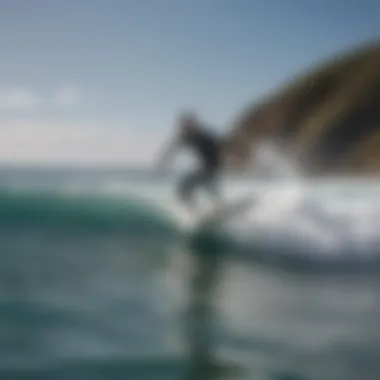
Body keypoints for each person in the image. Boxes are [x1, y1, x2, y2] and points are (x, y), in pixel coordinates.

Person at [156, 111, 224, 214]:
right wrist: (162, 166)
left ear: (193, 125)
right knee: (183, 191)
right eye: (184, 126)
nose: (185, 128)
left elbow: (222, 146)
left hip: (213, 164)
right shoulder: (183, 137)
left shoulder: (203, 135)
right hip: (203, 166)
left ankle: (219, 208)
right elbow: (170, 150)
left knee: (208, 186)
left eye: (189, 125)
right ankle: (195, 212)